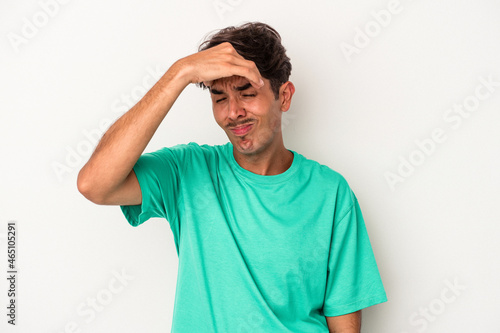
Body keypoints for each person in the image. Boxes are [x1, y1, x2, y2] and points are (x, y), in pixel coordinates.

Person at [77, 22, 387, 333]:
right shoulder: (187, 171)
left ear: (285, 96)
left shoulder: (330, 193)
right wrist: (179, 73)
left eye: (247, 92)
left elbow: (344, 324)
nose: (233, 112)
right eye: (219, 97)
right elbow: (94, 184)